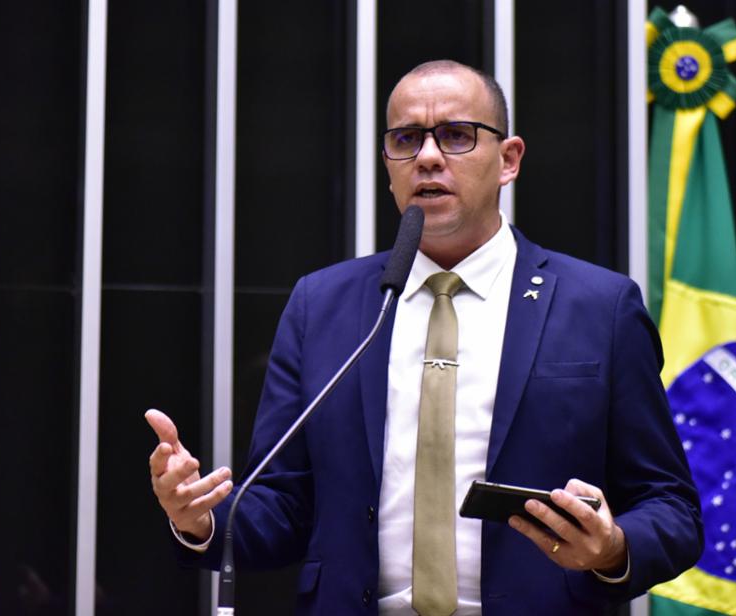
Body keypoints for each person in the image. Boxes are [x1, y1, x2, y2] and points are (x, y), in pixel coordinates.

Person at [146, 59, 702, 615]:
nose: (428, 157)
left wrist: (611, 547)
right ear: (388, 165)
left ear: (508, 160)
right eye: (406, 139)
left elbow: (671, 507)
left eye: (457, 136)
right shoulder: (324, 305)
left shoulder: (599, 307)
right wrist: (200, 520)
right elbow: (284, 507)